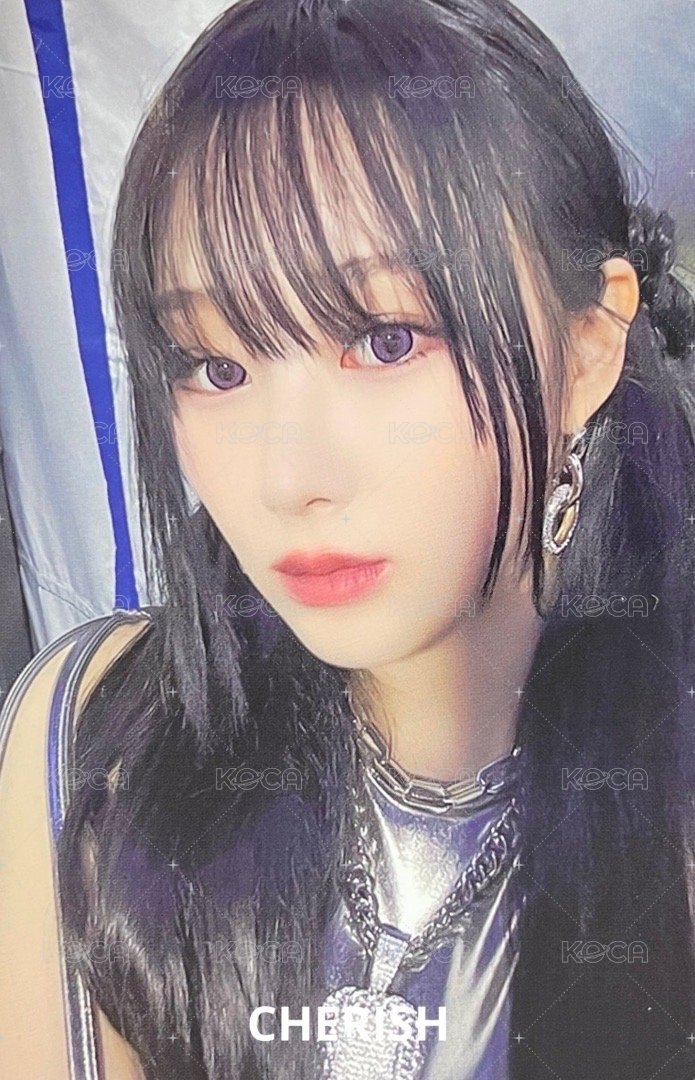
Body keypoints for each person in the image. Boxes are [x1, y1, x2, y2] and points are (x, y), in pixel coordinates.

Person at [1, 0, 695, 1077]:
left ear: (587, 344)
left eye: (384, 340)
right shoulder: (98, 744)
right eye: (216, 366)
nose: (287, 480)